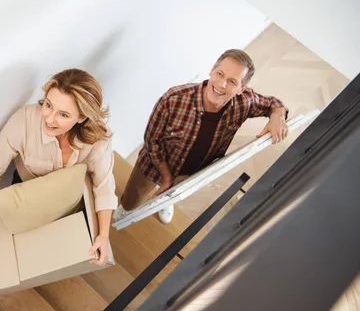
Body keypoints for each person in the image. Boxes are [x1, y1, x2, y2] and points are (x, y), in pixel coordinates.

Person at [0, 69, 118, 266]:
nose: (50, 118)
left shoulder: (98, 139)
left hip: (68, 197)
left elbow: (103, 186)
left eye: (63, 114)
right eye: (48, 105)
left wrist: (103, 235)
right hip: (27, 188)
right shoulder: (23, 121)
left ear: (82, 118)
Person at [116, 49, 288, 224]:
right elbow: (152, 142)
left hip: (193, 170)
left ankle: (165, 202)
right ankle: (125, 209)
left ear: (241, 89)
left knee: (172, 193)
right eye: (220, 74)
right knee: (133, 198)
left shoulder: (245, 102)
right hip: (153, 164)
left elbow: (274, 103)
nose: (222, 84)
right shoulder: (173, 99)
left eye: (232, 81)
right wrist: (166, 176)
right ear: (212, 70)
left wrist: (278, 116)